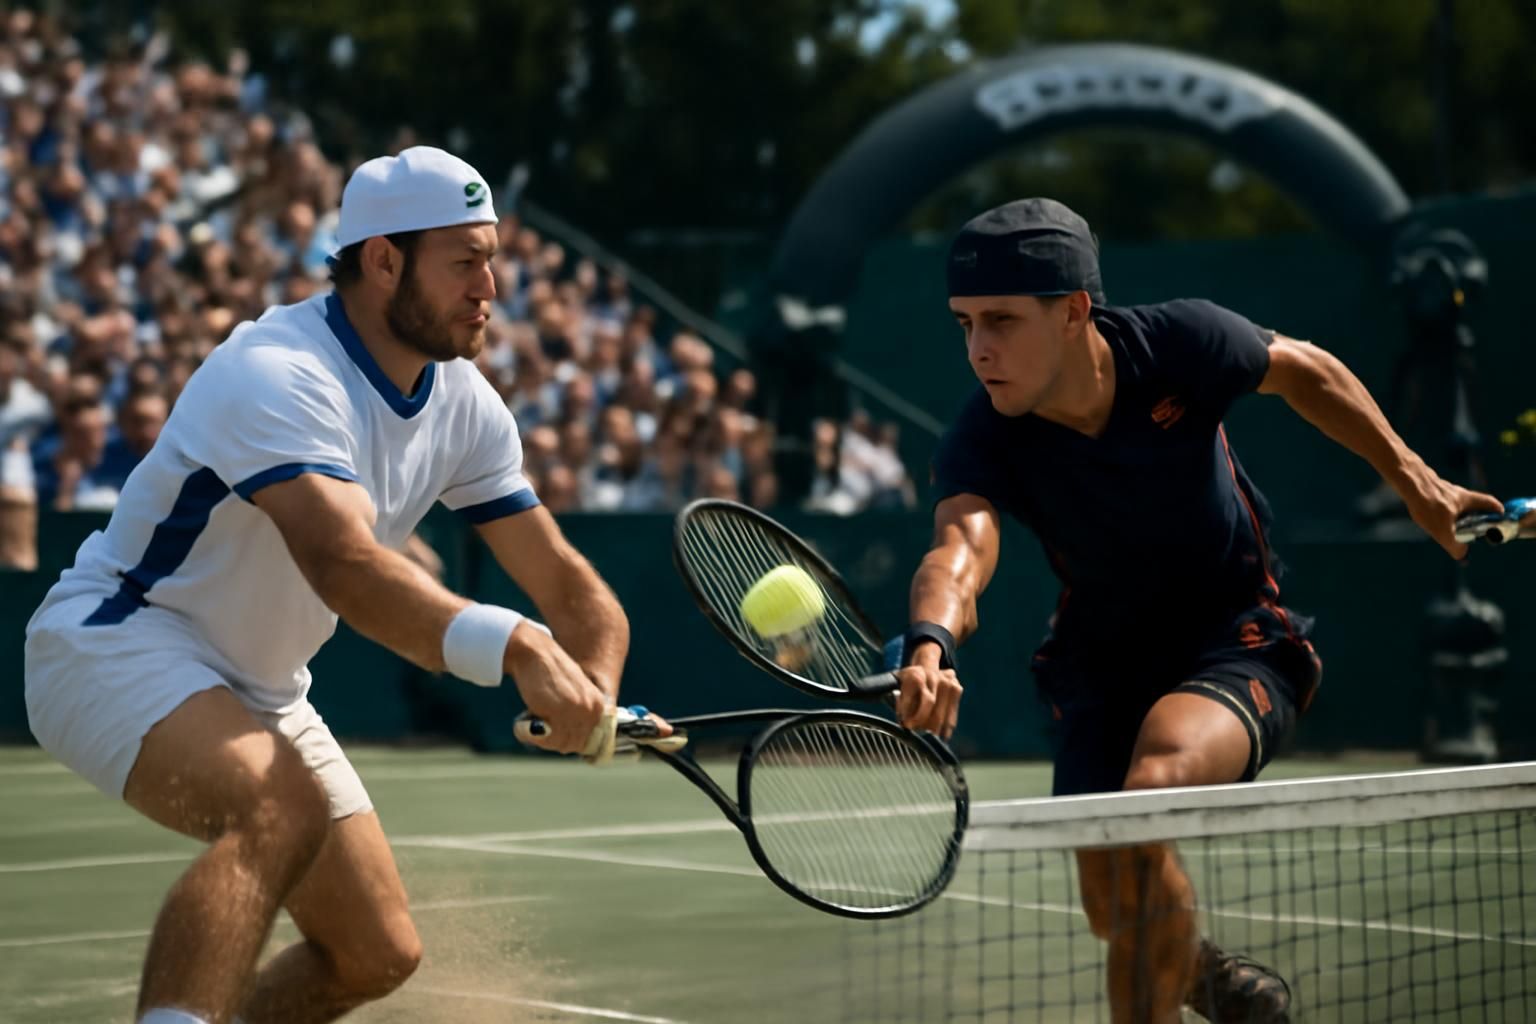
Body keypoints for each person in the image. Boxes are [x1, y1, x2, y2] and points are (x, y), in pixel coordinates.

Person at [24, 146, 663, 1024]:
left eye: (494, 258)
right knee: (280, 809)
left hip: (263, 689)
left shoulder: (466, 403)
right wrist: (516, 646)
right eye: (465, 260)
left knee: (375, 953)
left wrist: (594, 690)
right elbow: (346, 567)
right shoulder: (276, 371)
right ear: (384, 260)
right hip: (116, 641)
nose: (490, 286)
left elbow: (568, 583)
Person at [890, 198, 1501, 1024]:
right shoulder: (986, 433)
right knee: (1117, 906)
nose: (978, 350)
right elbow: (960, 549)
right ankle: (1205, 976)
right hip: (1100, 668)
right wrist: (931, 643)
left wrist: (1420, 486)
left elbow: (1307, 370)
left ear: (1074, 312)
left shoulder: (1181, 343)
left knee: (1152, 793)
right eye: (964, 324)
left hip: (1236, 640)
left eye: (1000, 320)